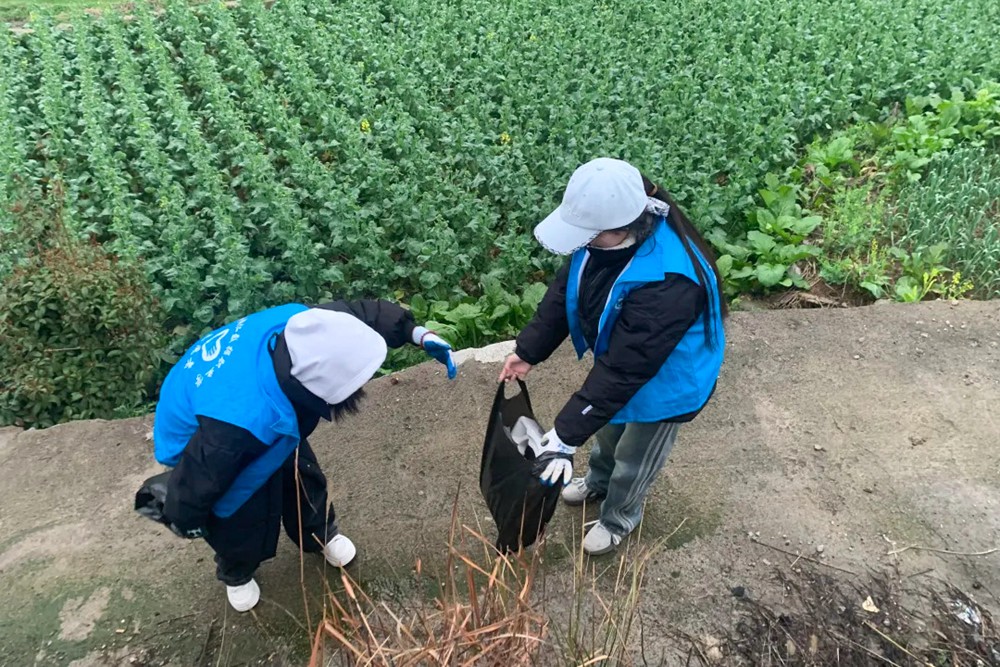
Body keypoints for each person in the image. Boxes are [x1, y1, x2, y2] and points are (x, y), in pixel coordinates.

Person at [152, 299, 457, 612]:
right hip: (196, 434)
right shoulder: (236, 430)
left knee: (302, 477)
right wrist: (185, 517)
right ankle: (236, 570)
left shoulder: (305, 324)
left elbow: (360, 313)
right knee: (239, 512)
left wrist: (415, 332)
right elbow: (199, 478)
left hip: (244, 396)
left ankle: (319, 534)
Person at [499, 157, 727, 555]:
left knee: (636, 457)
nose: (581, 243)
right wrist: (527, 350)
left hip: (667, 385)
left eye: (588, 236)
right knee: (607, 433)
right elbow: (564, 292)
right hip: (626, 362)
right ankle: (598, 481)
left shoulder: (670, 279)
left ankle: (619, 517)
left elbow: (626, 368)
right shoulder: (599, 243)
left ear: (622, 228)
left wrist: (565, 434)